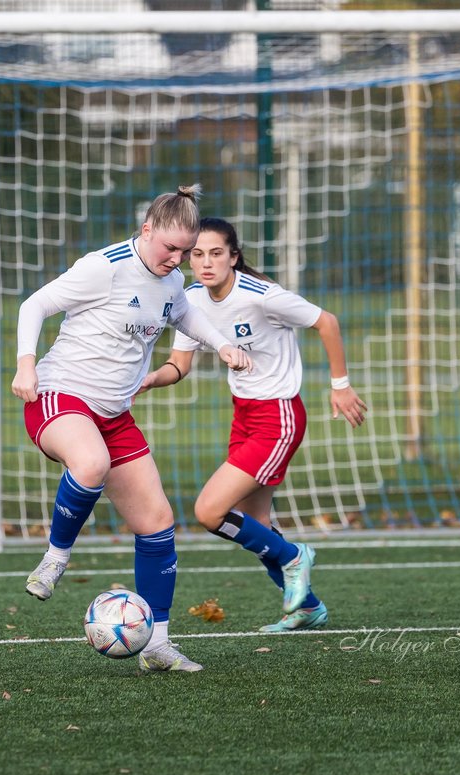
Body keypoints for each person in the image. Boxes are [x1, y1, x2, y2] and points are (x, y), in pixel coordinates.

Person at [11, 185, 253, 673]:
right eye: (171, 248)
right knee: (91, 462)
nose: (178, 259)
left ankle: (159, 644)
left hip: (114, 413)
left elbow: (188, 315)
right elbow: (34, 305)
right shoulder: (105, 267)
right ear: (147, 230)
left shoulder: (170, 282)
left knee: (158, 523)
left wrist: (224, 347)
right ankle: (56, 558)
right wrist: (25, 365)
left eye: (186, 251)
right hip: (59, 395)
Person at [139, 217, 367, 632]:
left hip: (278, 417)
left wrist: (341, 386)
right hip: (243, 414)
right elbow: (179, 365)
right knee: (257, 525)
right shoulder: (192, 300)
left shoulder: (262, 296)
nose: (206, 262)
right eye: (197, 254)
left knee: (210, 511)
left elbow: (326, 322)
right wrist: (152, 379)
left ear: (234, 257)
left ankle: (295, 557)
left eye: (216, 253)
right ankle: (306, 607)